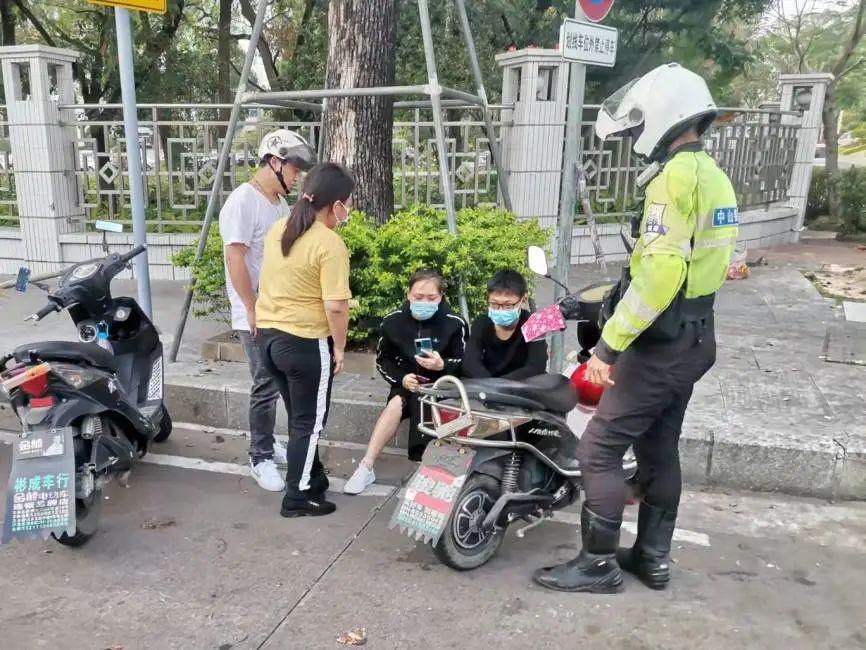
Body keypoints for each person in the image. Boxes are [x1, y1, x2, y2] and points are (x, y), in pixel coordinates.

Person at [534, 63, 738, 593]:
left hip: (660, 343)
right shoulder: (715, 175)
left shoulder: (673, 178)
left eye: (638, 123)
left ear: (664, 117)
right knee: (659, 445)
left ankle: (596, 565)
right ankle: (652, 558)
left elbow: (660, 274)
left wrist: (607, 346)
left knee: (597, 450)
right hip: (697, 336)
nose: (634, 139)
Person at [219, 129, 316, 492]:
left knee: (276, 380)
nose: (295, 177)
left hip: (277, 309)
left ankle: (268, 442)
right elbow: (235, 257)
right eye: (293, 170)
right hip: (255, 312)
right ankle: (259, 455)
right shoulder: (243, 201)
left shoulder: (278, 203)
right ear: (275, 162)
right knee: (264, 382)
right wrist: (250, 308)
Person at [256, 163, 355, 517]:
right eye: (348, 203)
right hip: (304, 343)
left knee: (300, 416)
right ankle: (298, 498)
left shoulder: (279, 229)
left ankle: (312, 478)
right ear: (336, 205)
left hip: (268, 340)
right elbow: (336, 307)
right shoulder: (329, 243)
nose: (349, 210)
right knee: (308, 423)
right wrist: (340, 348)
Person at [342, 270, 468, 495]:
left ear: (441, 297)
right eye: (418, 297)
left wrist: (443, 365)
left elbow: (464, 361)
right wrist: (402, 378)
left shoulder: (454, 324)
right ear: (408, 294)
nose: (424, 302)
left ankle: (428, 471)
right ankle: (366, 466)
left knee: (430, 404)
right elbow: (383, 360)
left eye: (431, 298)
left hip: (442, 386)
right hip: (408, 382)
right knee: (395, 405)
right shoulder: (393, 321)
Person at [462, 270, 547, 380]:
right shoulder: (482, 323)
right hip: (486, 386)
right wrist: (490, 385)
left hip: (524, 389)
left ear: (523, 299)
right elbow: (470, 362)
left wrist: (501, 385)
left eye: (508, 305)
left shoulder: (534, 324)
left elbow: (536, 367)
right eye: (494, 304)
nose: (500, 310)